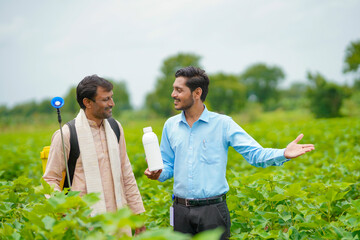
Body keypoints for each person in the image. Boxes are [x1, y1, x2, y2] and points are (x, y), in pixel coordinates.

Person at [144, 66, 315, 239]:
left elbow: (255, 154)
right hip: (180, 211)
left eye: (179, 90)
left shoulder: (223, 124)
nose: (173, 94)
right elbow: (167, 166)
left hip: (212, 212)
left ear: (197, 93)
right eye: (174, 89)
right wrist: (157, 173)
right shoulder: (170, 126)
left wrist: (283, 153)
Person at [43, 75, 145, 236]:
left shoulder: (115, 127)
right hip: (85, 224)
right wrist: (65, 210)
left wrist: (137, 213)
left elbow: (126, 173)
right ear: (87, 102)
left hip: (119, 221)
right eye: (105, 99)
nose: (112, 103)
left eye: (111, 98)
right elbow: (50, 179)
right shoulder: (67, 134)